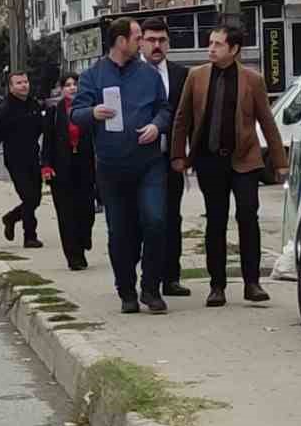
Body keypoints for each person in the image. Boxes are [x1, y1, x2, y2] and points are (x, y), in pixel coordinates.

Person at [171, 22, 288, 307]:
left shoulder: (253, 80)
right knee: (216, 221)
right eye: (210, 43)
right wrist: (178, 154)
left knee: (248, 215)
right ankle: (217, 285)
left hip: (245, 159)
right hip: (210, 160)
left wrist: (280, 161)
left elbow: (267, 121)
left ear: (234, 49)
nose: (211, 48)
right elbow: (182, 117)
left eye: (218, 44)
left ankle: (252, 283)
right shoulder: (196, 77)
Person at [72, 17, 171, 316]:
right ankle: (126, 290)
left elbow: (165, 109)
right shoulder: (93, 76)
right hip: (112, 167)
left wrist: (157, 126)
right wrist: (93, 113)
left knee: (155, 220)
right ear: (120, 42)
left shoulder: (149, 75)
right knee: (119, 231)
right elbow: (75, 114)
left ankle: (151, 288)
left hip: (148, 164)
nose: (143, 42)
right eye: (138, 37)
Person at [140, 17, 193, 297]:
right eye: (151, 40)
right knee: (146, 219)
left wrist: (186, 155)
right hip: (139, 159)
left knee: (172, 217)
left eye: (162, 40)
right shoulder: (132, 73)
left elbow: (190, 116)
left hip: (170, 158)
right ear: (141, 42)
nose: (156, 45)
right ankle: (145, 274)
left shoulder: (181, 75)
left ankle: (170, 277)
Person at [0, 70, 45, 248]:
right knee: (29, 198)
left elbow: (42, 128)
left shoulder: (33, 104)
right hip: (15, 160)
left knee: (36, 199)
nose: (24, 85)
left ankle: (10, 218)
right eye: (19, 83)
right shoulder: (6, 109)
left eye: (25, 82)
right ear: (11, 87)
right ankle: (30, 236)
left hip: (33, 157)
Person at [41, 72, 96, 271]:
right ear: (62, 89)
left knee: (86, 211)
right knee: (66, 215)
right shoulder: (54, 111)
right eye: (68, 85)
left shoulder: (90, 109)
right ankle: (73, 257)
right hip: (61, 170)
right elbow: (47, 141)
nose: (72, 88)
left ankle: (83, 239)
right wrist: (46, 165)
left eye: (76, 84)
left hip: (85, 168)